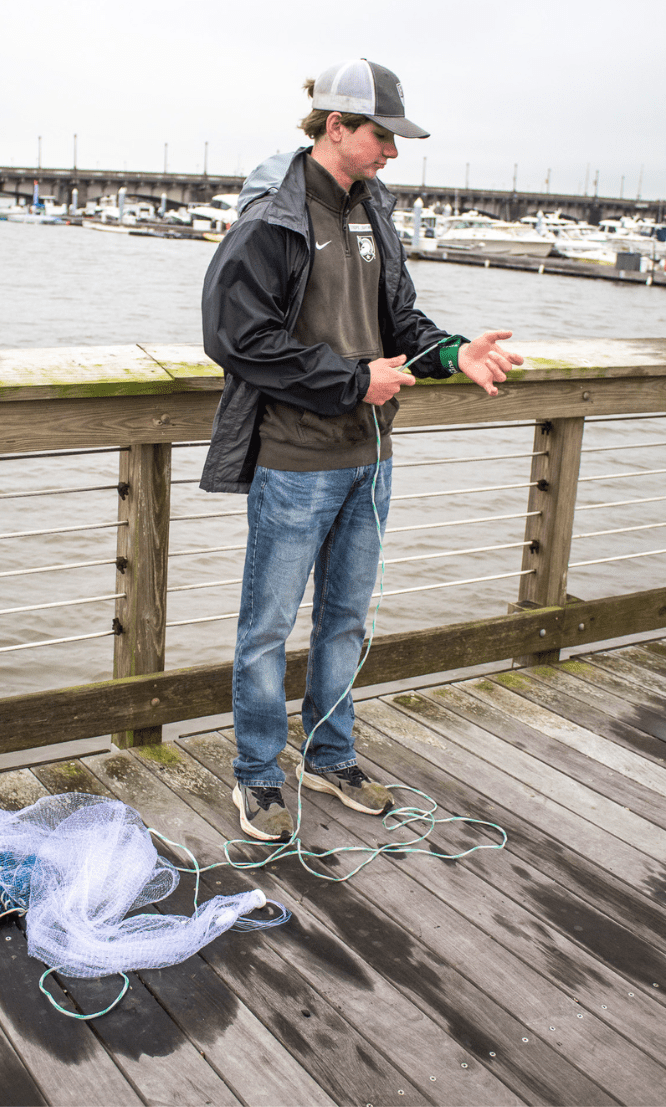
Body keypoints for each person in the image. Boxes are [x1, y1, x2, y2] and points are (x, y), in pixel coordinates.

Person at [200, 58, 523, 842]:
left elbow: (400, 323)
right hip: (295, 458)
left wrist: (450, 355)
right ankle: (256, 777)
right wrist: (351, 380)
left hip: (371, 457)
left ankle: (331, 756)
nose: (393, 153)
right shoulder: (270, 218)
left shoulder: (372, 206)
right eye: (383, 136)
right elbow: (235, 339)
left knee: (347, 622)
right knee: (267, 630)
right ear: (336, 127)